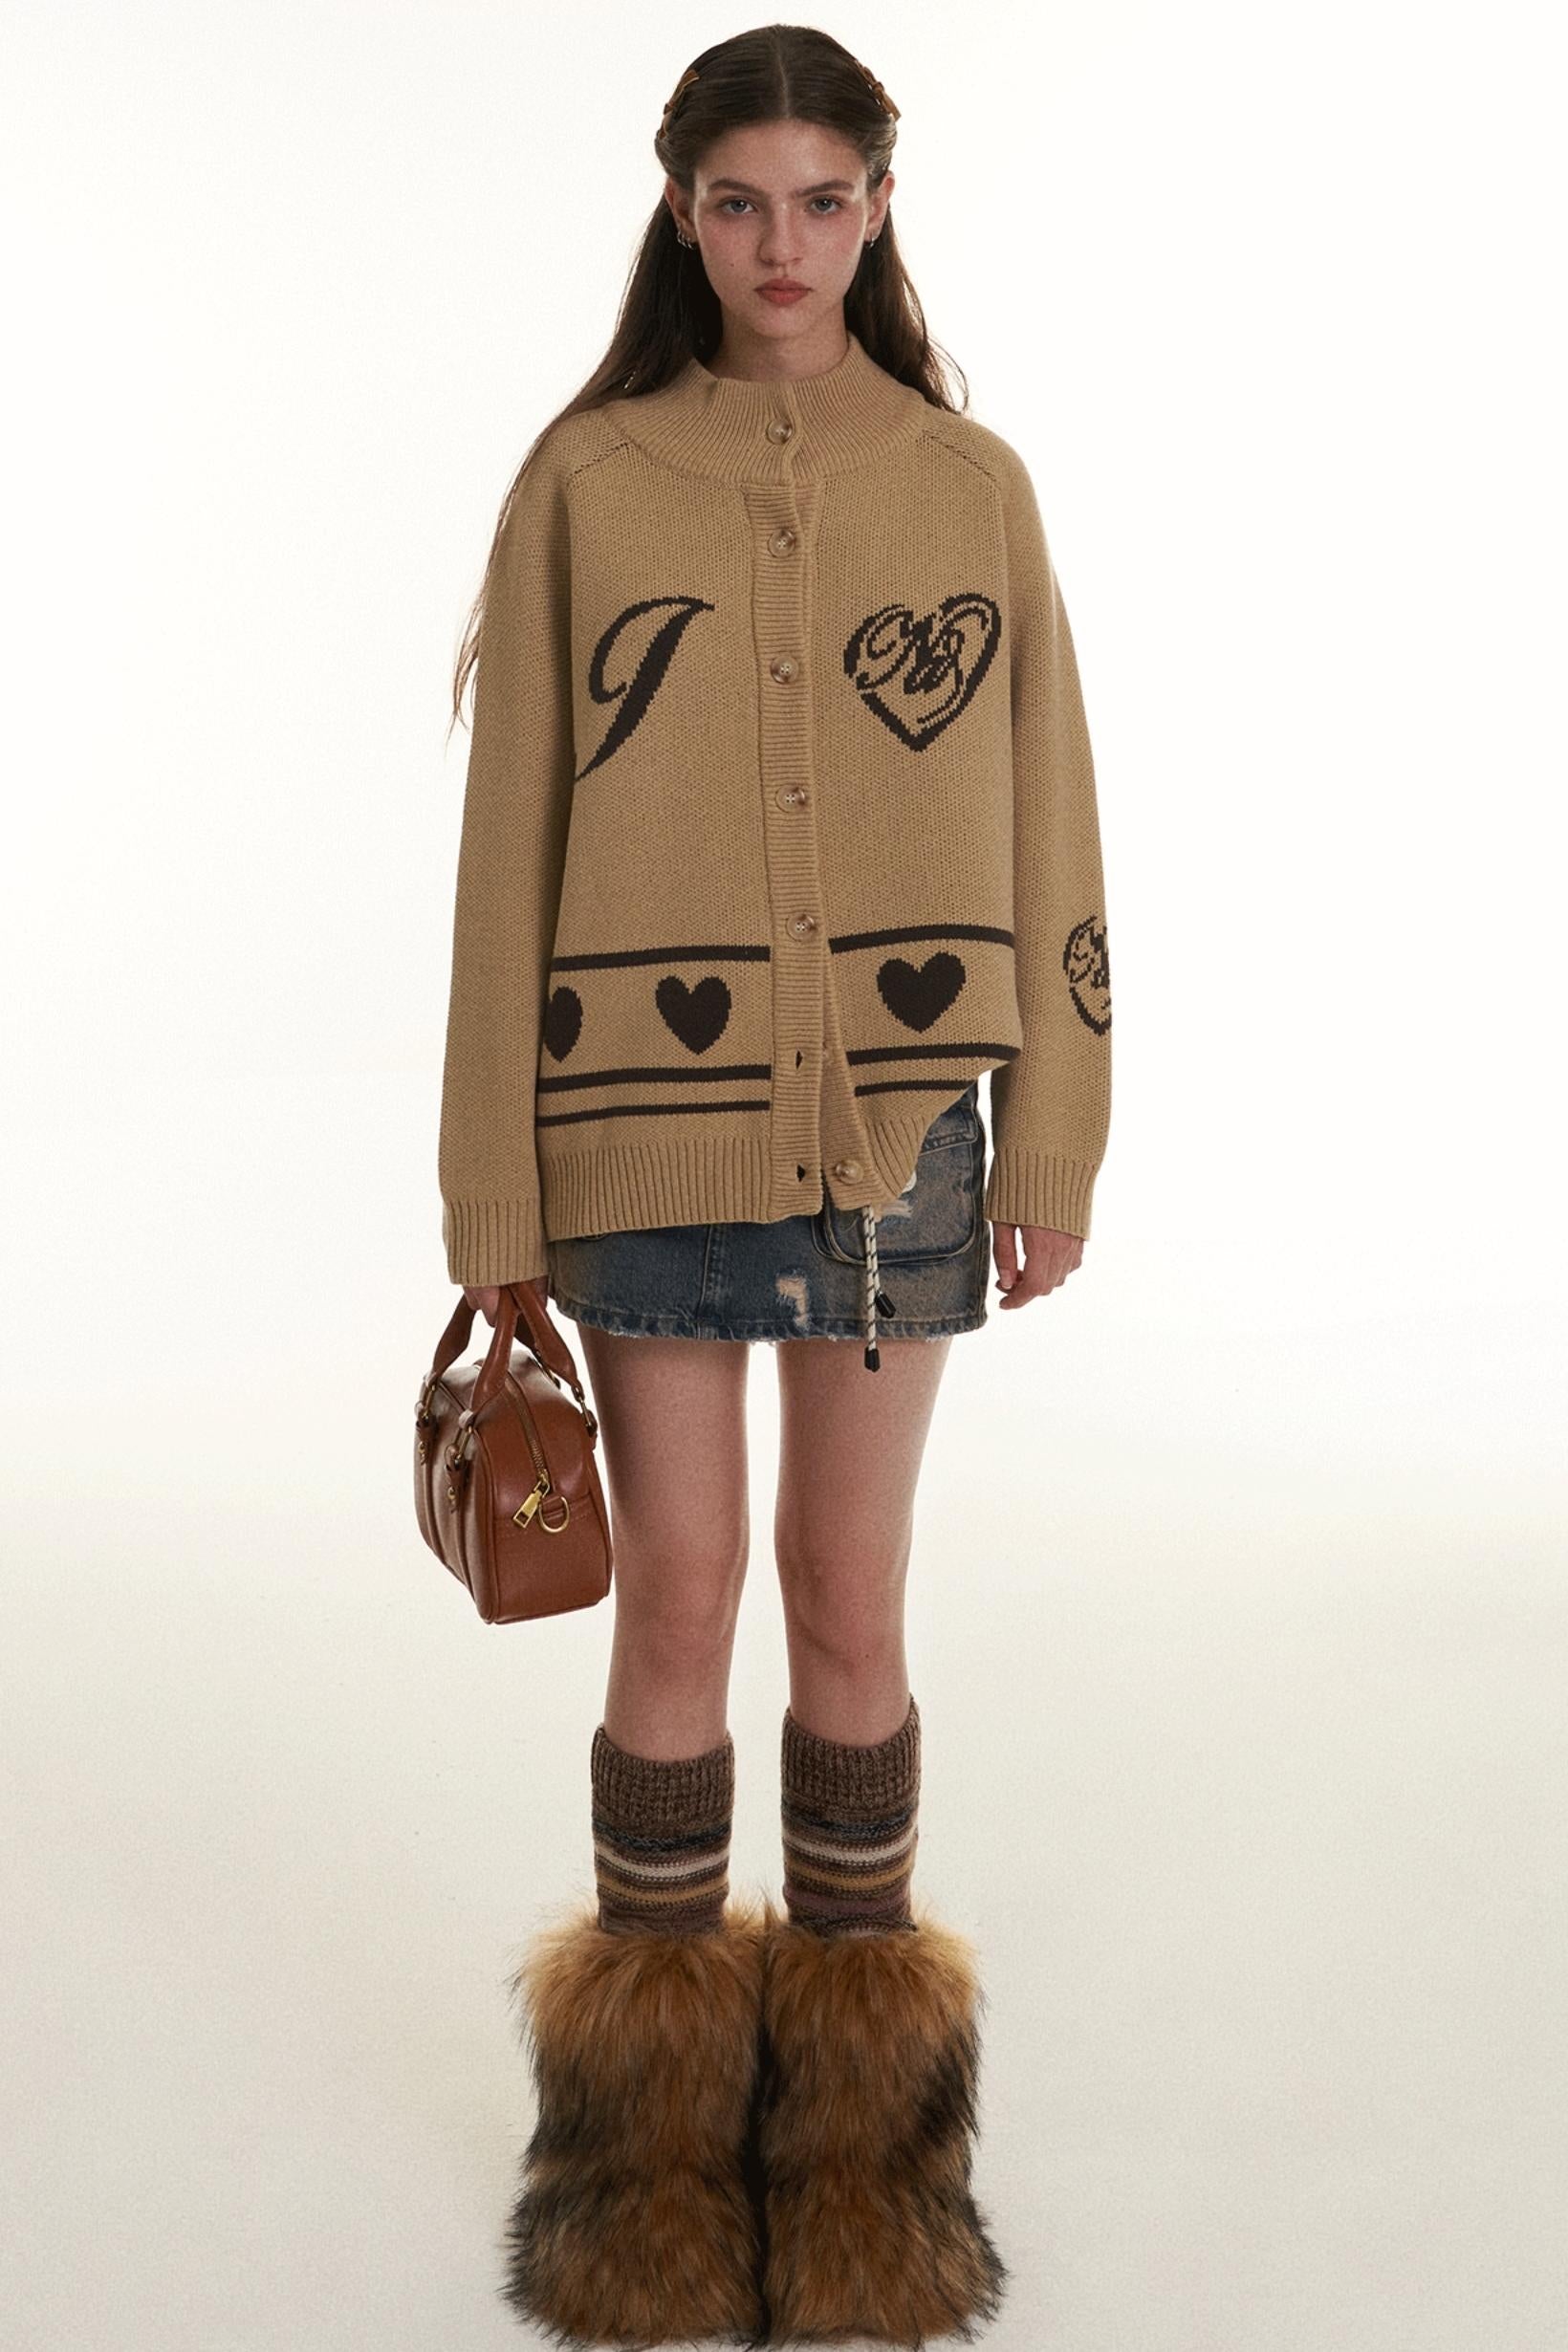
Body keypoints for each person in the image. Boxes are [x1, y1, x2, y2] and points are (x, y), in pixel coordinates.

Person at [437, 26, 1112, 2346]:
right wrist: (492, 1202)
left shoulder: (971, 486)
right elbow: (503, 857)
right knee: (676, 1603)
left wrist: (1057, 1125)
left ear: (880, 207)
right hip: (637, 1125)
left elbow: (1054, 812)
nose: (783, 244)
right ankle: (636, 2176)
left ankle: (859, 2175)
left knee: (847, 1605)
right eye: (741, 202)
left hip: (907, 1140)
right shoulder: (589, 481)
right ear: (681, 212)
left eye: (824, 199)